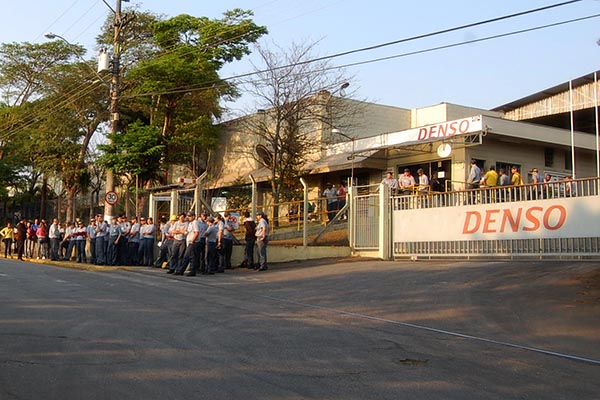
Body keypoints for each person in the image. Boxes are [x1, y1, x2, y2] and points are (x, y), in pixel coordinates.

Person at [176, 212, 199, 276]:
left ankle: (190, 271)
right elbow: (188, 232)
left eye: (190, 216)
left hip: (192, 242)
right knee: (188, 257)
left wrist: (193, 240)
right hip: (189, 242)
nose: (188, 217)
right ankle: (181, 270)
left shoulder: (195, 223)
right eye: (188, 216)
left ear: (193, 216)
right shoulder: (190, 223)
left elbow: (196, 232)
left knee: (188, 257)